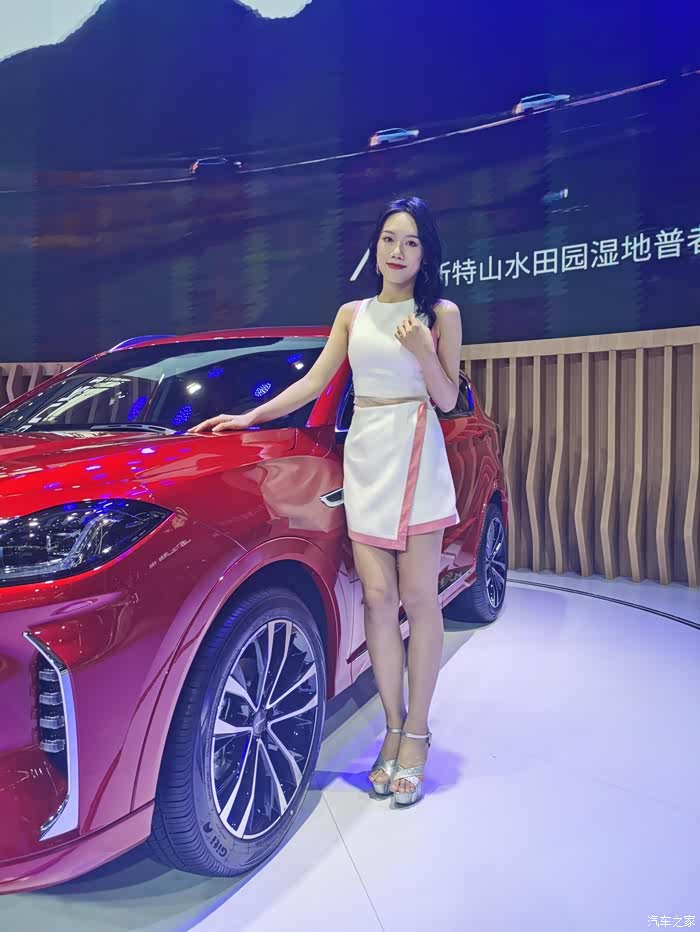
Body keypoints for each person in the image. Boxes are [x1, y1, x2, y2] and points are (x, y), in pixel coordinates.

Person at [191, 195, 462, 807]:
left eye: (411, 242)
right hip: (366, 455)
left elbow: (447, 399)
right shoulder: (352, 313)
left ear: (426, 253)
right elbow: (315, 381)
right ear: (375, 246)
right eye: (389, 239)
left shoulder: (441, 313)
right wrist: (251, 416)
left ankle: (418, 735)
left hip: (417, 453)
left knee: (420, 599)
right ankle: (392, 728)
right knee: (377, 599)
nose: (398, 251)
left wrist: (423, 351)